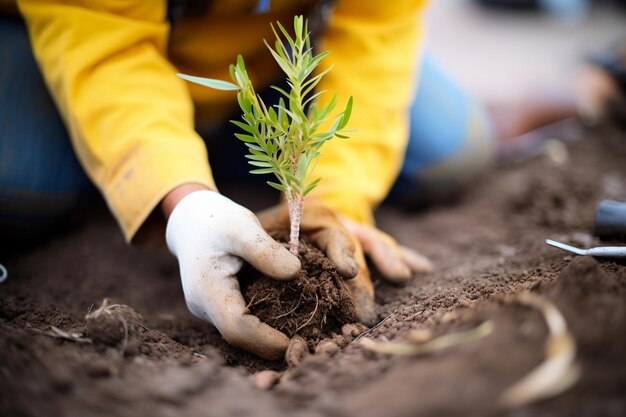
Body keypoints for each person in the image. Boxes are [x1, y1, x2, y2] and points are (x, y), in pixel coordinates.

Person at [0, 0, 573, 359]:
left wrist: (338, 197)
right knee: (19, 186)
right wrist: (181, 199)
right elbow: (104, 42)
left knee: (451, 153)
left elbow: (372, 41)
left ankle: (235, 148)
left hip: (279, 55)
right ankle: (193, 153)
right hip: (91, 45)